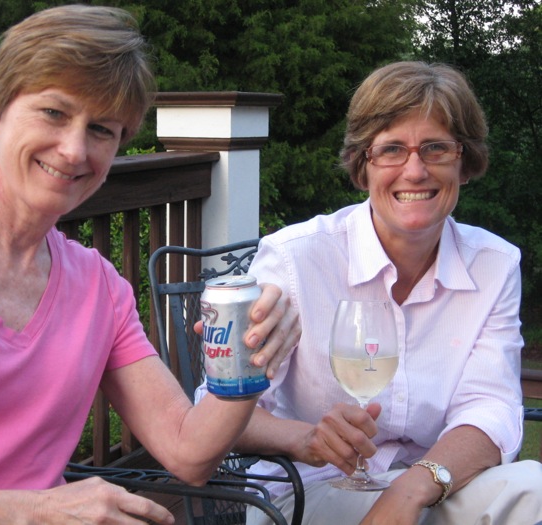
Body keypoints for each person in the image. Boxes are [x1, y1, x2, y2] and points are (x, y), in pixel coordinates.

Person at [0, 5, 300, 524]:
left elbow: (187, 452)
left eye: (102, 130)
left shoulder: (99, 286)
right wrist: (25, 511)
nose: (74, 149)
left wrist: (248, 361)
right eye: (54, 113)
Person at [199, 61, 542, 524]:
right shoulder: (296, 260)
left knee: (534, 488)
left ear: (465, 162)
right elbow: (219, 407)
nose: (415, 170)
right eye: (392, 150)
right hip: (314, 489)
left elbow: (491, 406)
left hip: (437, 484)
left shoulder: (495, 265)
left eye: (436, 149)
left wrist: (412, 489)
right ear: (364, 166)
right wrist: (305, 437)